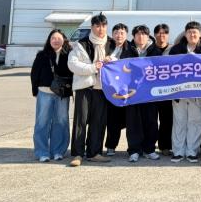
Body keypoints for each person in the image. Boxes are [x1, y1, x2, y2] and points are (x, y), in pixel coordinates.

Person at [68, 13, 116, 166]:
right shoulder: (81, 44)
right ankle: (77, 154)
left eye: (103, 26)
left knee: (98, 121)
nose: (101, 29)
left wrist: (112, 60)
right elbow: (72, 64)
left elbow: (120, 62)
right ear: (92, 27)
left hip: (103, 89)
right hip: (85, 87)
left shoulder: (112, 44)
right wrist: (93, 67)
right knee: (81, 121)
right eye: (97, 26)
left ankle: (94, 153)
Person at [168, 21, 201, 163]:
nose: (192, 35)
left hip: (198, 92)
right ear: (185, 34)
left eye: (195, 32)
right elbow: (168, 68)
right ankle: (178, 151)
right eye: (189, 32)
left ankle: (192, 151)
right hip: (179, 91)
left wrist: (198, 59)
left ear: (200, 33)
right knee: (179, 121)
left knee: (196, 121)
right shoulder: (176, 49)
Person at [30, 29, 73, 162]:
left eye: (59, 38)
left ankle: (58, 151)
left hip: (62, 94)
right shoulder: (42, 55)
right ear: (49, 40)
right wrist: (35, 91)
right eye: (53, 38)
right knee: (42, 122)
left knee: (61, 121)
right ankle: (42, 152)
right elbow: (34, 73)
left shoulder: (70, 54)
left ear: (64, 40)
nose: (56, 40)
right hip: (44, 92)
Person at [125, 25, 163, 162]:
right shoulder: (127, 52)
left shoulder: (156, 52)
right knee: (133, 121)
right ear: (134, 37)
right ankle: (134, 150)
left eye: (143, 34)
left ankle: (149, 149)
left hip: (150, 92)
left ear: (148, 36)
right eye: (138, 34)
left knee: (151, 121)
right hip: (132, 93)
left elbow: (161, 71)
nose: (141, 37)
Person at [105, 23, 130, 156]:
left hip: (128, 89)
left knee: (130, 119)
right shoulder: (106, 47)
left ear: (127, 35)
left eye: (122, 33)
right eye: (116, 32)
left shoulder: (131, 48)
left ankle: (133, 147)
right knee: (112, 119)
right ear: (112, 34)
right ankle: (111, 145)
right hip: (110, 88)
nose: (119, 35)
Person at [153, 23, 174, 156]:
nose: (162, 35)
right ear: (155, 34)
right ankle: (149, 145)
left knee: (167, 119)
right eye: (159, 33)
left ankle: (165, 146)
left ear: (168, 35)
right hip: (151, 90)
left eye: (164, 33)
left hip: (167, 90)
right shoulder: (150, 49)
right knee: (151, 119)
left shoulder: (173, 50)